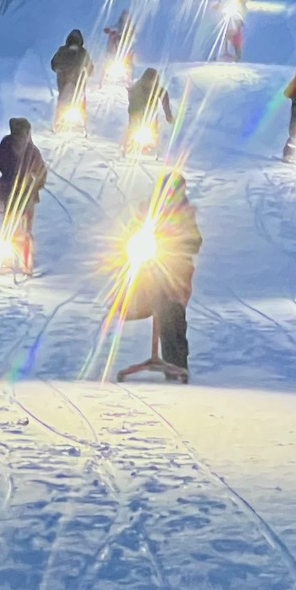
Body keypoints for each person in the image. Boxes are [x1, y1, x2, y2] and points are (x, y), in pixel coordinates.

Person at [143, 172, 203, 376]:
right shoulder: (151, 212)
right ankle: (171, 362)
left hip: (177, 272)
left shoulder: (185, 213)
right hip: (154, 269)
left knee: (173, 314)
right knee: (160, 309)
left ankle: (177, 363)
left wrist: (178, 247)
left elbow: (195, 241)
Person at [0, 118, 48, 273]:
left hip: (12, 195)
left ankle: (16, 258)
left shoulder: (9, 149)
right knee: (13, 227)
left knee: (10, 227)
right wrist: (37, 186)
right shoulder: (27, 151)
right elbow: (42, 173)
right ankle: (21, 260)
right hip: (16, 196)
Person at [125, 68, 175, 153]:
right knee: (134, 126)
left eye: (153, 80)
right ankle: (130, 141)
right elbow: (131, 94)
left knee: (152, 127)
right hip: (136, 113)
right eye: (149, 80)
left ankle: (150, 143)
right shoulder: (137, 87)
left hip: (150, 114)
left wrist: (168, 114)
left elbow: (164, 97)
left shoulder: (157, 89)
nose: (150, 83)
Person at [49, 30, 92, 125]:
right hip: (69, 81)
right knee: (69, 99)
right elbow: (54, 63)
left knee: (69, 99)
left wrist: (88, 71)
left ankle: (60, 120)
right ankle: (60, 120)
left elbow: (90, 66)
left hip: (70, 81)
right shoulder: (81, 52)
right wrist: (58, 68)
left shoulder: (81, 52)